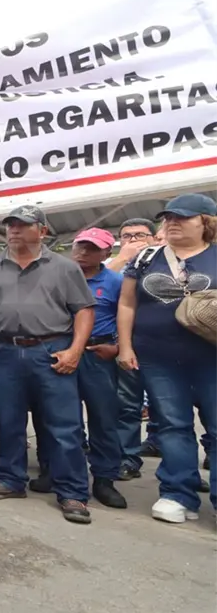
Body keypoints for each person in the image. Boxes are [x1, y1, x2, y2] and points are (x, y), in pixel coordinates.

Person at [0, 205, 96, 524]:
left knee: (64, 426)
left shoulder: (64, 268)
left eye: (23, 225)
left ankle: (73, 493)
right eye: (10, 224)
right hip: (4, 350)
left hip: (51, 350)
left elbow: (84, 311)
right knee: (8, 421)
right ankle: (10, 480)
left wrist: (75, 350)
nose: (14, 230)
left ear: (42, 231)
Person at [118, 193, 217, 524]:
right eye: (168, 217)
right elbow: (127, 304)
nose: (172, 222)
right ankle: (177, 493)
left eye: (183, 217)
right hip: (157, 359)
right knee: (173, 427)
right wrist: (126, 347)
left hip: (211, 359)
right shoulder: (147, 257)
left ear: (206, 222)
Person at [62, 228, 128, 509]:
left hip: (98, 354)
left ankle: (104, 478)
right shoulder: (60, 277)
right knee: (64, 419)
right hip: (63, 352)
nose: (83, 252)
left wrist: (118, 348)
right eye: (80, 246)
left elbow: (128, 318)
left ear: (106, 253)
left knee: (103, 418)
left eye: (91, 248)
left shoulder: (116, 281)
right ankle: (62, 473)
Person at [107, 218, 159, 474]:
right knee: (127, 405)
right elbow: (92, 287)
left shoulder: (167, 260)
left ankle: (178, 466)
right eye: (127, 236)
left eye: (140, 235)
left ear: (153, 238)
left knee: (171, 410)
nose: (133, 240)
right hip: (125, 344)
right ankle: (127, 459)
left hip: (164, 345)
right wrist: (122, 258)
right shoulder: (111, 265)